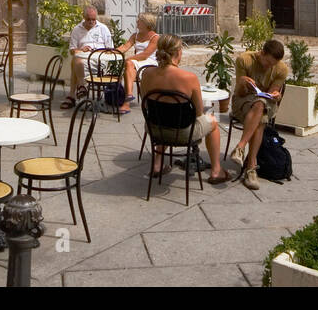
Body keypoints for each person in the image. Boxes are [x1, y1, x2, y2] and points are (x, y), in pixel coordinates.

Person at [138, 35, 230, 184]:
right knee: (212, 119)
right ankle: (216, 170)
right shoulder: (189, 77)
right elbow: (199, 112)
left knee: (165, 115)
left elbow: (145, 102)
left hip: (155, 128)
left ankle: (157, 164)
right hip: (182, 133)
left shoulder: (147, 73)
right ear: (178, 52)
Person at [227, 38, 289, 191]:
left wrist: (276, 95)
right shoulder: (245, 60)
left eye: (273, 64)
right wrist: (242, 82)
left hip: (265, 103)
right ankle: (251, 169)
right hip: (243, 100)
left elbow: (271, 94)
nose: (269, 67)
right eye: (267, 62)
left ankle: (240, 148)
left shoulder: (281, 69)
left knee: (261, 105)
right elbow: (240, 93)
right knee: (261, 117)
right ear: (261, 53)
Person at [63, 5, 115, 109]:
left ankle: (74, 94)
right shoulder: (77, 29)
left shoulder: (103, 28)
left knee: (74, 64)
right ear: (83, 17)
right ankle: (81, 87)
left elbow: (110, 49)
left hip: (100, 63)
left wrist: (99, 52)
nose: (91, 22)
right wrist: (81, 50)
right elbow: (72, 50)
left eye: (93, 19)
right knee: (76, 59)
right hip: (83, 62)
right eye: (88, 19)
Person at [118, 12, 159, 114]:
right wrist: (112, 51)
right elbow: (124, 47)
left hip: (150, 62)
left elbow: (145, 55)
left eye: (139, 20)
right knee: (129, 65)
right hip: (136, 62)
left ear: (146, 23)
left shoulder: (155, 37)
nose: (137, 22)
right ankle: (128, 97)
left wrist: (128, 59)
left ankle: (127, 102)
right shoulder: (135, 35)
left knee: (129, 63)